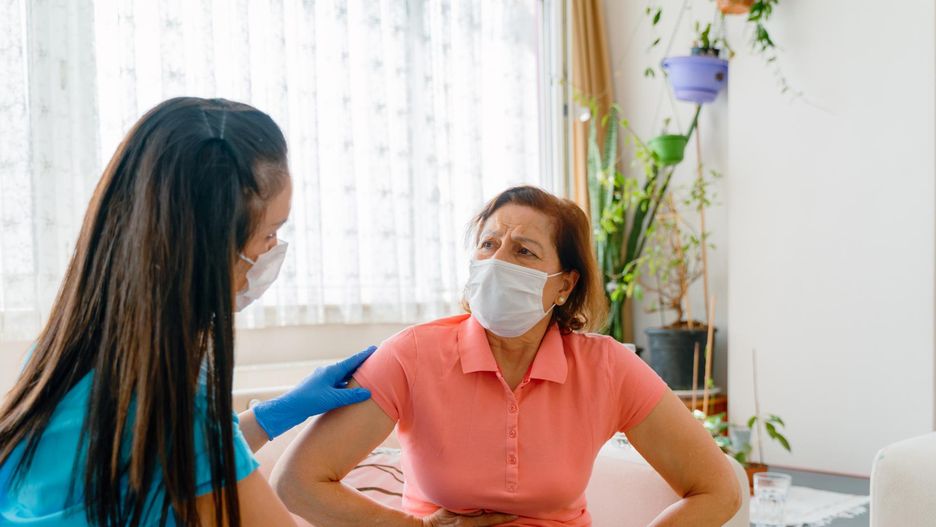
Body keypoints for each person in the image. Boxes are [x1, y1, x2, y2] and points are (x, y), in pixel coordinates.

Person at [0, 97, 374, 526]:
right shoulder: (176, 408)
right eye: (270, 233)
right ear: (209, 248)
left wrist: (274, 415)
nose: (274, 250)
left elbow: (170, 466)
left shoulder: (59, 364)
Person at [271, 186, 741, 526]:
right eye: (489, 244)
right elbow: (296, 483)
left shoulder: (607, 367)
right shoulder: (411, 354)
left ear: (565, 285)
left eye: (524, 251)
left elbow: (719, 490)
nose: (498, 261)